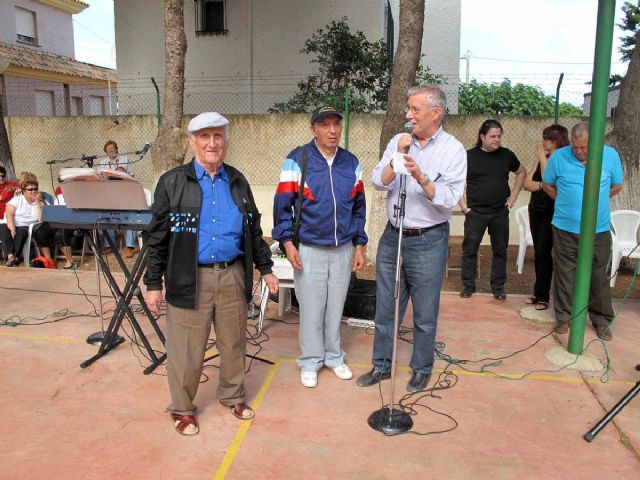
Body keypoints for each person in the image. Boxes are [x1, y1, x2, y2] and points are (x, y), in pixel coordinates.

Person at [144, 112, 278, 436]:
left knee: (233, 344)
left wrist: (266, 269)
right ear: (192, 142)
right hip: (189, 278)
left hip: (232, 275)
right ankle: (182, 408)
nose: (212, 143)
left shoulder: (237, 181)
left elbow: (253, 229)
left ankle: (232, 395)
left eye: (218, 136)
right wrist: (152, 284)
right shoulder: (173, 183)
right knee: (186, 350)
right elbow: (157, 236)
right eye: (204, 137)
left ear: (226, 142)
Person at [357, 85, 467, 393]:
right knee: (386, 306)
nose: (408, 115)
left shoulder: (453, 151)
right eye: (408, 109)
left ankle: (421, 368)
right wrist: (398, 158)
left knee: (425, 310)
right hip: (394, 236)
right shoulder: (398, 141)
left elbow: (447, 200)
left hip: (429, 240)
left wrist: (421, 177)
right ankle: (381, 365)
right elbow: (378, 182)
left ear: (436, 113)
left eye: (414, 110)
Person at [272, 105, 367, 388]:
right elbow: (282, 205)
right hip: (309, 247)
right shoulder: (297, 160)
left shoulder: (351, 162)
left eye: (336, 124)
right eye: (325, 125)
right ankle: (311, 360)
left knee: (336, 305)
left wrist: (359, 245)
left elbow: (359, 207)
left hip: (342, 248)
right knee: (312, 306)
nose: (332, 130)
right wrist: (287, 242)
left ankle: (334, 357)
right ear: (313, 128)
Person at [541, 123, 622, 341]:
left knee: (598, 275)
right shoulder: (559, 157)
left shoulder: (610, 156)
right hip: (564, 228)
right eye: (575, 147)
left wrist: (596, 201)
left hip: (599, 229)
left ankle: (602, 320)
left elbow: (616, 186)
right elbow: (547, 185)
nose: (578, 152)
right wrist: (566, 201)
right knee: (565, 273)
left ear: (594, 142)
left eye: (584, 148)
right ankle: (564, 318)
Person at [459, 119, 526, 300]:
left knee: (500, 250)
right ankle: (468, 286)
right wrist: (465, 208)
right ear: (482, 137)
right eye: (493, 136)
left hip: (499, 212)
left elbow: (521, 172)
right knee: (470, 250)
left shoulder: (507, 155)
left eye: (499, 136)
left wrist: (514, 195)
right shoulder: (469, 156)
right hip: (475, 213)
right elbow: (457, 181)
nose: (497, 140)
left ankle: (498, 287)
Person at [522, 124, 569, 310]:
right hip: (536, 210)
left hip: (553, 211)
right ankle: (538, 292)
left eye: (547, 138)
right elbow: (527, 183)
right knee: (539, 253)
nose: (543, 142)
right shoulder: (544, 158)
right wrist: (542, 185)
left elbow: (553, 181)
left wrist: (542, 160)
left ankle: (544, 297)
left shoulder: (564, 159)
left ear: (557, 140)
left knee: (545, 252)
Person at [0, 180, 55, 266]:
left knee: (23, 232)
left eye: (35, 189)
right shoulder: (17, 200)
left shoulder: (41, 203)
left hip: (25, 225)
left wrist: (38, 203)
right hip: (9, 222)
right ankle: (11, 256)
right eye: (30, 189)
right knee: (3, 229)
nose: (33, 191)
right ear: (24, 191)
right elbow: (9, 215)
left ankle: (12, 257)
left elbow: (40, 220)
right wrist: (12, 229)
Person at [99, 141, 137, 257]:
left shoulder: (125, 160)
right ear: (106, 152)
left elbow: (132, 176)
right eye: (108, 149)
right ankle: (109, 245)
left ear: (116, 149)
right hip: (110, 193)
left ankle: (129, 246)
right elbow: (100, 177)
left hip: (124, 192)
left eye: (112, 148)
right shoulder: (103, 162)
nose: (110, 150)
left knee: (130, 216)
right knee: (107, 216)